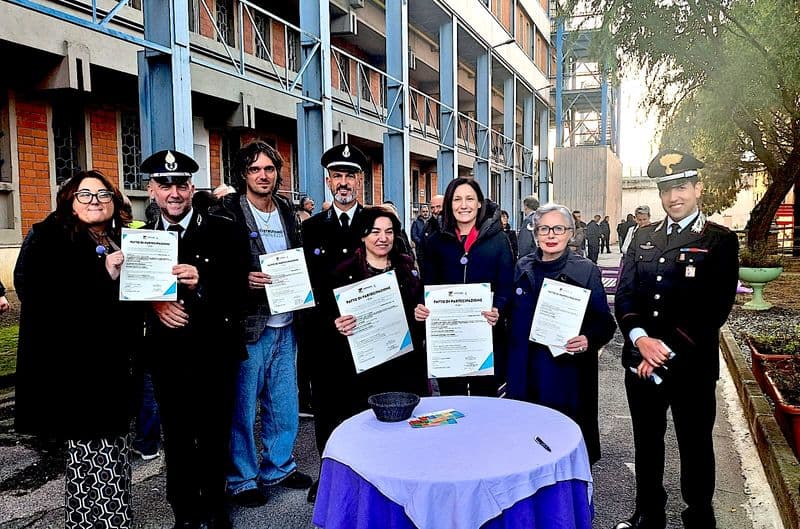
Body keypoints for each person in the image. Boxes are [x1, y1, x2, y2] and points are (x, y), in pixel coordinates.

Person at [614, 150, 739, 529]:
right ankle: (648, 513)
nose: (673, 197)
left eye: (681, 187)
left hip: (691, 366)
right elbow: (626, 293)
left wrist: (661, 349)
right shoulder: (643, 236)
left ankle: (699, 516)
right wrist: (640, 341)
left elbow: (714, 309)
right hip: (641, 362)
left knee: (695, 445)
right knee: (647, 444)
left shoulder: (718, 240)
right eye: (666, 189)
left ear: (698, 188)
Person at [14, 170, 135, 529]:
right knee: (89, 456)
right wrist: (104, 277)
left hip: (113, 367)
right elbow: (37, 295)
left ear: (115, 203)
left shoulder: (121, 240)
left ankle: (107, 520)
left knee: (112, 451)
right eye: (85, 195)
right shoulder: (47, 236)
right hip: (74, 372)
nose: (95, 201)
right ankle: (103, 523)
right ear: (69, 201)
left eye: (103, 194)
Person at [141, 149, 250, 529]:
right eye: (164, 184)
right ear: (151, 190)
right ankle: (184, 511)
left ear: (192, 188)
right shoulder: (141, 239)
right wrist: (154, 305)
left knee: (215, 431)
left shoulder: (224, 227)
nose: (174, 192)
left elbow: (242, 291)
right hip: (167, 355)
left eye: (181, 184)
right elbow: (128, 298)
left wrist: (203, 281)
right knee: (178, 435)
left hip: (214, 351)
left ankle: (216, 505)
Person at [223, 141, 312, 507]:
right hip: (250, 324)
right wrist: (240, 278)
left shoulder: (287, 213)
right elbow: (217, 266)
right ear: (244, 174)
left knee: (283, 402)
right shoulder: (229, 213)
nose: (264, 176)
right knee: (243, 407)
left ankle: (280, 465)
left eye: (270, 169)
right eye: (256, 169)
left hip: (287, 320)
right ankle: (242, 478)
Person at [506, 203, 615, 464]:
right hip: (526, 371)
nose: (551, 235)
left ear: (570, 232)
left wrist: (588, 338)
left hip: (566, 374)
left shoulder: (585, 270)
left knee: (563, 446)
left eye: (558, 228)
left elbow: (604, 322)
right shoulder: (522, 267)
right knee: (527, 445)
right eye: (544, 229)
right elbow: (509, 313)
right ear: (535, 234)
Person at [323, 206, 429, 436]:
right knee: (368, 431)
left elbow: (417, 308)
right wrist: (337, 324)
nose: (383, 238)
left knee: (404, 430)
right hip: (364, 370)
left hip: (402, 365)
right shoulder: (342, 273)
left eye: (389, 232)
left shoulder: (406, 267)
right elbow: (326, 319)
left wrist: (419, 313)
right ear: (363, 235)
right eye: (375, 231)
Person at [301, 143, 368, 503]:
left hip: (367, 334)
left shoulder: (376, 224)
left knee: (363, 406)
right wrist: (330, 321)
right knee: (328, 409)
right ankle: (329, 475)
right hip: (327, 336)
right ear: (328, 181)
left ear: (360, 181)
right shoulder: (310, 229)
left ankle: (365, 473)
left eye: (350, 176)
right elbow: (306, 286)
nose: (343, 183)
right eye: (337, 175)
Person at [414, 177, 513, 397]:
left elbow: (506, 284)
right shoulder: (435, 240)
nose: (464, 205)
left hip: (486, 336)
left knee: (485, 402)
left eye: (470, 198)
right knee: (451, 401)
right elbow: (427, 283)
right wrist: (421, 305)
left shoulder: (498, 240)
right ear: (449, 204)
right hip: (448, 338)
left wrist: (498, 307)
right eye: (457, 199)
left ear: (480, 203)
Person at [517, 194, 540, 258]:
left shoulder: (528, 221)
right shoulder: (541, 218)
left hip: (530, 259)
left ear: (526, 207)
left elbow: (525, 244)